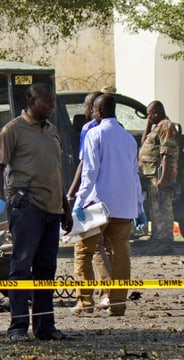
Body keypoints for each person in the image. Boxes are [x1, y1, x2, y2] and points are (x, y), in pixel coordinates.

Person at [0, 83, 73, 342]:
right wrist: (0, 198)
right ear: (31, 101)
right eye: (46, 100)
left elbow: (56, 172)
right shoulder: (12, 130)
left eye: (53, 101)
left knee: (46, 268)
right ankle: (17, 327)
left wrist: (66, 208)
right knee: (22, 267)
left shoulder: (53, 132)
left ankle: (45, 326)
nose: (51, 105)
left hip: (52, 209)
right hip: (26, 206)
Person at [73, 94, 145, 316]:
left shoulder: (94, 134)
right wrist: (140, 207)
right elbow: (134, 175)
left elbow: (90, 172)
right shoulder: (128, 138)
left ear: (99, 111)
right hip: (125, 206)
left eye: (94, 110)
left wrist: (79, 201)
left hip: (99, 206)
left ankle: (85, 302)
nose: (92, 114)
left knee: (84, 251)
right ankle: (117, 304)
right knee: (121, 253)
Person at [66, 91, 114, 316]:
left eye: (88, 106)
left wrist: (74, 193)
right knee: (106, 246)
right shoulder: (117, 129)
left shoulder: (89, 130)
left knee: (87, 248)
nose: (86, 111)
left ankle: (89, 299)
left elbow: (85, 166)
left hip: (93, 197)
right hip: (115, 199)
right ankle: (109, 295)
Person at [139, 100, 179, 245]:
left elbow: (166, 154)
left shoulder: (166, 127)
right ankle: (157, 238)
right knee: (155, 209)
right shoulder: (157, 126)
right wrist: (148, 124)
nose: (148, 117)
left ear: (156, 113)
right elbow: (144, 142)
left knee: (163, 209)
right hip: (152, 175)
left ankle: (165, 241)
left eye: (149, 115)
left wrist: (163, 178)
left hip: (160, 175)